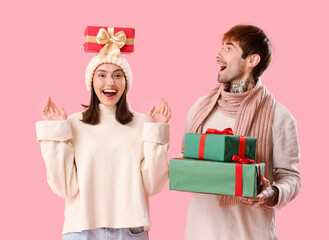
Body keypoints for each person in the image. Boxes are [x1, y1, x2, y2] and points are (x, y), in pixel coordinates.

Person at [36, 28, 171, 240]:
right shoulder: (71, 123)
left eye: (118, 76)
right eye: (102, 75)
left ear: (126, 84)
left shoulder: (145, 123)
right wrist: (57, 133)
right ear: (92, 82)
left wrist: (156, 135)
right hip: (82, 229)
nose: (110, 83)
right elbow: (64, 188)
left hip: (131, 230)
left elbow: (153, 186)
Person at [181, 25, 301, 240]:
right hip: (200, 232)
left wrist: (272, 194)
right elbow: (186, 161)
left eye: (228, 48)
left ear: (251, 61)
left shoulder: (279, 116)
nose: (218, 55)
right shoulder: (200, 108)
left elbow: (290, 177)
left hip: (251, 234)